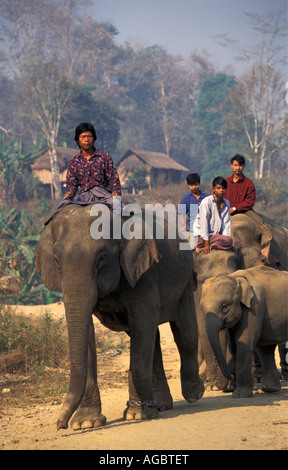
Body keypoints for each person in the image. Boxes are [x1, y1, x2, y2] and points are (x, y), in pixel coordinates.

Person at [53, 122, 122, 217]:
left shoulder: (104, 157)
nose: (86, 140)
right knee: (60, 209)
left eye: (89, 136)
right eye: (83, 137)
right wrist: (69, 194)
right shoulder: (74, 162)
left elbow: (114, 179)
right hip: (83, 197)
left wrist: (115, 193)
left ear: (94, 139)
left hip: (103, 195)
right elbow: (72, 185)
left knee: (122, 209)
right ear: (77, 140)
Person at [193, 176, 234, 255]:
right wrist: (206, 244)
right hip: (201, 234)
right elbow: (203, 223)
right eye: (218, 188)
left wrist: (226, 240)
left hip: (214, 236)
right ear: (213, 189)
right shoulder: (207, 202)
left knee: (229, 240)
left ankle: (213, 245)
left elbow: (226, 224)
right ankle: (206, 245)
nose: (221, 190)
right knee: (197, 241)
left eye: (223, 188)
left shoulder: (226, 203)